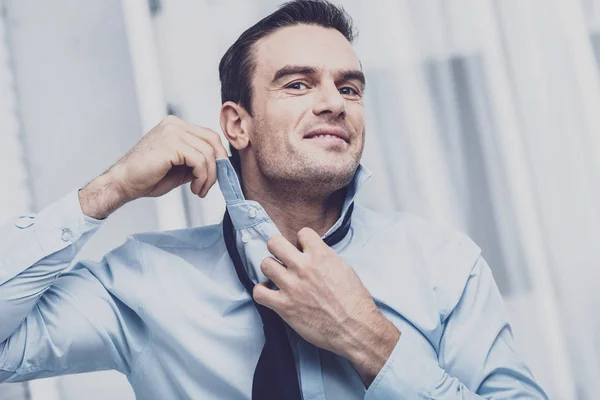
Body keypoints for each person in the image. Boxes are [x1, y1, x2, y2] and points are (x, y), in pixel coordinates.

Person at [0, 1, 548, 399]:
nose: (334, 102)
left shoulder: (444, 267)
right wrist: (109, 188)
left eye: (350, 87)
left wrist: (371, 342)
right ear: (237, 125)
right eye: (298, 84)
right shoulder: (144, 278)